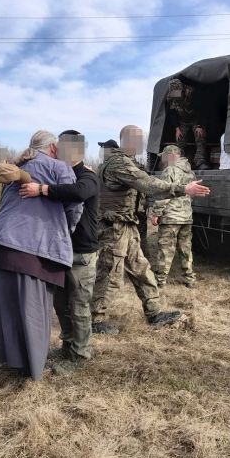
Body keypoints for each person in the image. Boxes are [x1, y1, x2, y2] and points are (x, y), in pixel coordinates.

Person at [0, 130, 82, 380]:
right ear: (52, 148)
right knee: (32, 309)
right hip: (35, 247)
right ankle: (29, 365)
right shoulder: (58, 168)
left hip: (0, 243)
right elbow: (74, 206)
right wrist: (65, 231)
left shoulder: (16, 166)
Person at [90, 125, 210, 335]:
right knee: (110, 272)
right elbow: (147, 184)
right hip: (115, 229)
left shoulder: (127, 162)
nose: (140, 144)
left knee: (141, 269)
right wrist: (183, 189)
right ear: (126, 140)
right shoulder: (118, 163)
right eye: (136, 140)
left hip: (127, 226)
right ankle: (95, 319)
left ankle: (154, 312)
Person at [19, 130, 98, 369]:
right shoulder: (57, 173)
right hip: (58, 249)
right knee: (61, 304)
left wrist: (41, 189)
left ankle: (80, 355)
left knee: (79, 305)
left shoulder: (88, 175)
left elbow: (78, 193)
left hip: (81, 251)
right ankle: (68, 345)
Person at [150, 145, 197, 288]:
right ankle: (189, 278)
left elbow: (163, 193)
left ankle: (160, 280)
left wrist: (156, 213)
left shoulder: (169, 170)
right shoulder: (190, 172)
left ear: (170, 155)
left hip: (171, 217)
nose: (163, 159)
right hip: (186, 216)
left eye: (164, 156)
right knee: (185, 248)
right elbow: (192, 195)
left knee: (166, 249)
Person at [167, 78, 209, 170]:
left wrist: (200, 126)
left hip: (196, 119)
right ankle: (179, 163)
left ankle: (200, 161)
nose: (177, 95)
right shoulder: (170, 97)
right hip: (183, 119)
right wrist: (177, 128)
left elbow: (203, 110)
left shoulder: (193, 93)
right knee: (179, 138)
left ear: (182, 90)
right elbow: (172, 113)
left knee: (200, 136)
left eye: (179, 92)